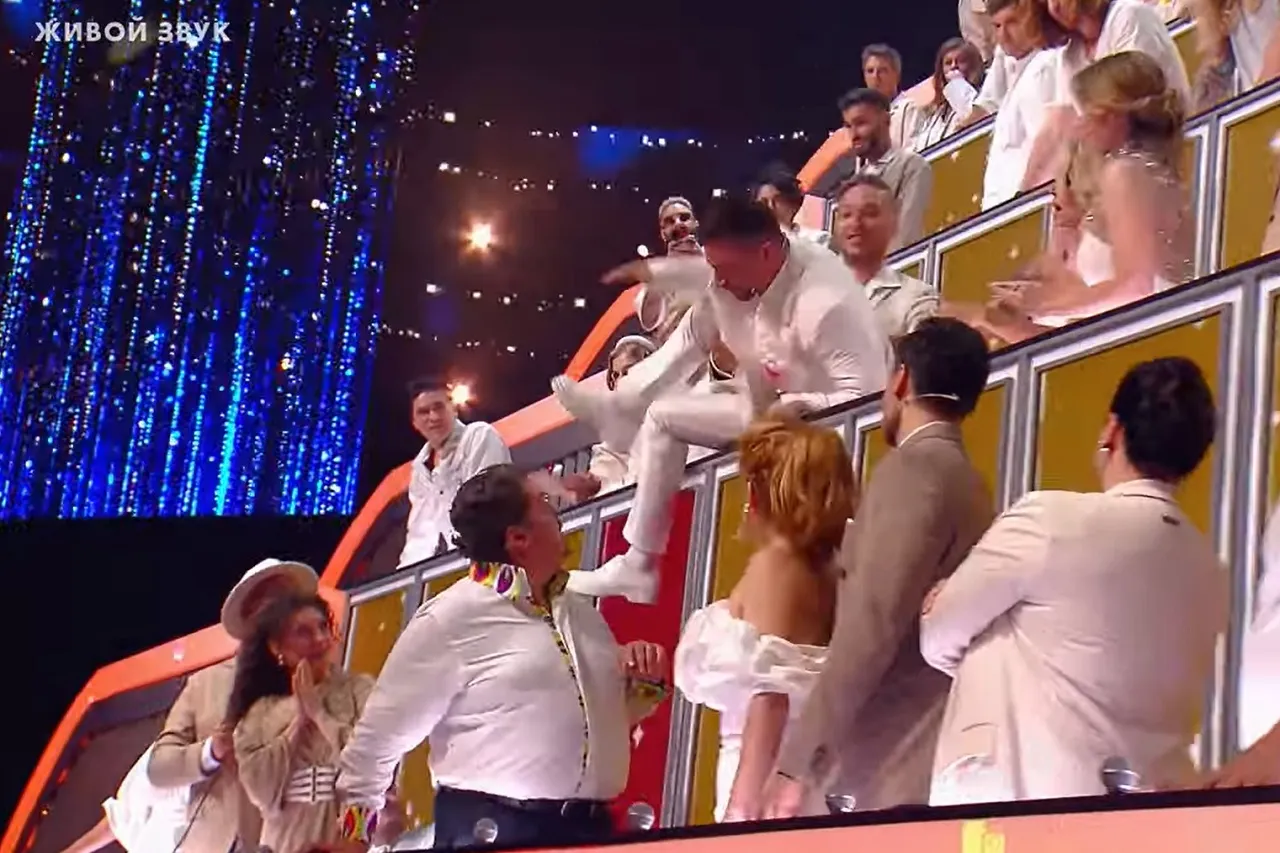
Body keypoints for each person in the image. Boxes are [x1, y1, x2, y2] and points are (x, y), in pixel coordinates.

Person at [556, 196, 888, 604]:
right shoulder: (728, 281)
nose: (718, 282)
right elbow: (677, 354)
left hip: (821, 429)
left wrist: (802, 405)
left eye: (725, 269)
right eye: (713, 268)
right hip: (763, 409)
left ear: (765, 252)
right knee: (662, 416)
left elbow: (865, 403)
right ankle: (638, 566)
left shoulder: (826, 301)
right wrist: (615, 404)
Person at [922, 357, 1224, 802]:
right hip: (1152, 808)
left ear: (1112, 430)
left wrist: (951, 608)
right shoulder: (1208, 567)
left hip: (1021, 801)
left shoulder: (1049, 519)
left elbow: (938, 634)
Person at [331, 464, 670, 850]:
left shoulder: (581, 613)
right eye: (544, 502)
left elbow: (597, 723)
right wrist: (353, 842)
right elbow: (372, 749)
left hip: (590, 831)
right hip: (492, 834)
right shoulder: (450, 619)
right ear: (518, 538)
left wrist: (645, 687)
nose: (557, 512)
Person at [762, 318, 994, 816]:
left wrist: (798, 762)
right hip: (927, 752)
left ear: (902, 380)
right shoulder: (970, 482)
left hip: (882, 763)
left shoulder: (914, 470)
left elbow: (871, 624)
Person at [674, 417, 856, 822]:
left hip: (761, 780)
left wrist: (741, 809)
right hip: (798, 776)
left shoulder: (778, 564)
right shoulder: (828, 570)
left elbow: (771, 698)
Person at [982, 51, 1193, 343]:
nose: (1078, 128)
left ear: (1110, 117)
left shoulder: (1125, 172)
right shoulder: (1145, 169)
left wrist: (1044, 304)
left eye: (1083, 115)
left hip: (1156, 337)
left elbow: (1135, 288)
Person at [138, 559, 320, 853]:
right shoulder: (205, 684)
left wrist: (361, 833)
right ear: (249, 616)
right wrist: (211, 751)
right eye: (268, 603)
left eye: (287, 602)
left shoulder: (321, 683)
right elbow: (159, 768)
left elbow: (355, 780)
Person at [230, 595, 373, 853]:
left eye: (323, 627)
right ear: (277, 647)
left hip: (345, 842)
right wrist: (300, 720)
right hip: (283, 843)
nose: (319, 639)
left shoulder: (358, 690)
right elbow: (261, 793)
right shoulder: (259, 713)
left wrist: (319, 713)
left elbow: (374, 767)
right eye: (303, 632)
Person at [1022, 0, 1191, 191]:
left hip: (1166, 156)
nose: (1054, 7)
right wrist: (1026, 191)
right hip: (1115, 170)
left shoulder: (1129, 16)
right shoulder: (1070, 56)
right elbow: (1063, 126)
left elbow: (1134, 117)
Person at [398, 376, 510, 568]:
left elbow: (488, 508)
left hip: (489, 559)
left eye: (439, 407)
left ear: (454, 409)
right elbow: (419, 534)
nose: (433, 417)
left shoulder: (478, 437)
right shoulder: (419, 468)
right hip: (450, 567)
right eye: (424, 412)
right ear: (414, 422)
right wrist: (406, 577)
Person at [809, 88, 934, 251]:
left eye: (861, 123)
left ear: (886, 121)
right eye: (849, 126)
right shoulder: (852, 185)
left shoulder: (911, 167)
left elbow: (906, 238)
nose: (854, 135)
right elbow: (839, 249)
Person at [976, 0, 1063, 209]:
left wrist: (1025, 196)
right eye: (997, 26)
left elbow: (1048, 146)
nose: (1004, 35)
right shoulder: (1018, 75)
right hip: (1006, 207)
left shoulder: (1044, 66)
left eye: (1012, 23)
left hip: (1027, 204)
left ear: (1031, 19)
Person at [833, 175, 939, 339]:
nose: (856, 223)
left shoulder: (917, 296)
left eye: (869, 214)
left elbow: (923, 351)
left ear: (894, 223)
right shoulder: (806, 285)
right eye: (847, 215)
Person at [561, 335, 658, 501]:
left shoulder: (672, 412)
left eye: (626, 372)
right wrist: (593, 483)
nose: (619, 381)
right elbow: (607, 468)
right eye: (615, 375)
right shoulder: (616, 435)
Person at [908, 38, 987, 153]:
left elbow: (972, 118)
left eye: (961, 61)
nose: (954, 66)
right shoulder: (935, 114)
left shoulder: (983, 97)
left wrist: (957, 84)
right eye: (948, 63)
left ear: (973, 65)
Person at [753, 165, 832, 248]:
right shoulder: (753, 242)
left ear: (793, 203)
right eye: (764, 202)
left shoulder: (819, 239)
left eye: (777, 200)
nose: (770, 206)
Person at [862, 43, 919, 148]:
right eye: (870, 71)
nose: (875, 77)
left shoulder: (909, 109)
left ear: (896, 75)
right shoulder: (863, 121)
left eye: (882, 71)